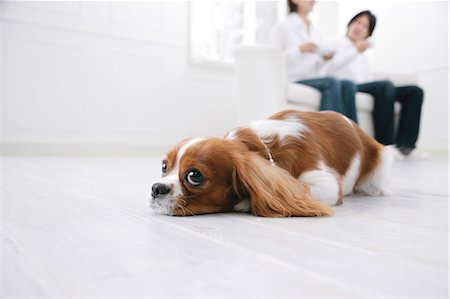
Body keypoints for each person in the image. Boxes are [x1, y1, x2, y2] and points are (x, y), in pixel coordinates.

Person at [322, 10, 424, 156]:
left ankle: (406, 146)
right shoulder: (334, 43)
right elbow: (328, 69)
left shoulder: (364, 53)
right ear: (350, 23)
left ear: (368, 34)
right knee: (385, 87)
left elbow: (367, 78)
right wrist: (354, 50)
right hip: (347, 85)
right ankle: (386, 146)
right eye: (357, 22)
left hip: (365, 85)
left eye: (365, 26)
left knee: (414, 91)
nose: (359, 27)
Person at [270, 0, 358, 122]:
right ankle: (330, 134)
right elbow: (273, 59)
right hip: (294, 78)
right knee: (331, 82)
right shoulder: (283, 26)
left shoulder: (315, 31)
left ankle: (353, 135)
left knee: (347, 84)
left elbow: (315, 66)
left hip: (312, 78)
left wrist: (323, 59)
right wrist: (299, 49)